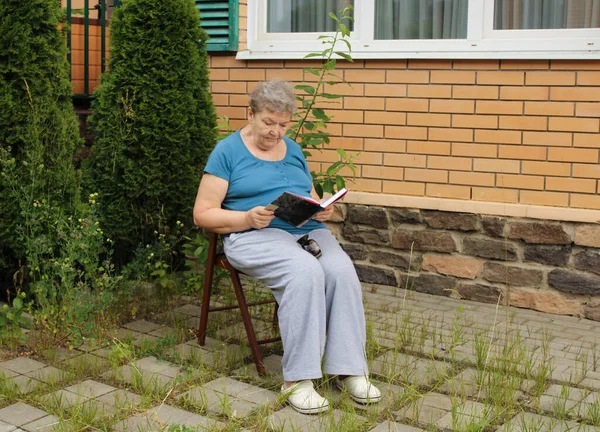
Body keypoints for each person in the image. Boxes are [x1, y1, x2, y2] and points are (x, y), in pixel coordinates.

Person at [193, 79, 381, 414]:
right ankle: (297, 380)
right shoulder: (227, 152)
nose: (276, 132)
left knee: (341, 271)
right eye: (268, 123)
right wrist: (246, 218)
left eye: (283, 125)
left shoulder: (292, 149)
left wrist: (320, 209)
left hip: (302, 231)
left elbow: (304, 195)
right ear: (250, 114)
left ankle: (349, 369)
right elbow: (203, 214)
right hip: (251, 235)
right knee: (304, 270)